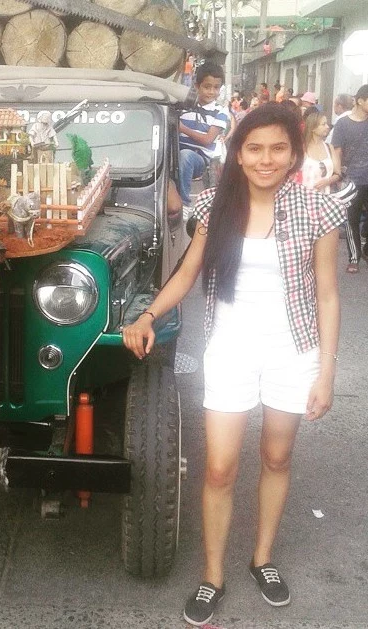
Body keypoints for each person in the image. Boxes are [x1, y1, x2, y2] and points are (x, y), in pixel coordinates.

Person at [122, 103, 345, 627]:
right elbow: (186, 272)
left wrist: (326, 373)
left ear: (293, 153)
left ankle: (262, 559)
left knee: (274, 457)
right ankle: (213, 575)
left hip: (295, 349)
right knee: (220, 466)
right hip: (231, 347)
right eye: (254, 148)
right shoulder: (214, 207)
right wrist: (150, 314)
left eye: (277, 149)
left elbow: (330, 296)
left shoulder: (319, 210)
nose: (266, 159)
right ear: (238, 153)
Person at [178, 61, 230, 216]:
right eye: (207, 87)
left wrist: (181, 128)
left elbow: (208, 139)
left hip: (200, 161)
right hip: (175, 156)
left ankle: (185, 203)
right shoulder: (183, 107)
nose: (211, 92)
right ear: (197, 86)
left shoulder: (221, 111)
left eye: (216, 87)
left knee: (186, 155)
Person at [331, 84, 368, 272]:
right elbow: (337, 151)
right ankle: (354, 258)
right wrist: (338, 174)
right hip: (352, 178)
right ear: (360, 101)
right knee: (352, 219)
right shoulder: (343, 123)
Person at [298, 112, 341, 194]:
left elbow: (338, 173)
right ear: (313, 128)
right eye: (323, 124)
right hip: (304, 197)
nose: (327, 127)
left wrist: (327, 181)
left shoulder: (329, 147)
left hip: (326, 197)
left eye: (327, 124)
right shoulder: (302, 148)